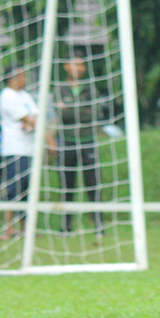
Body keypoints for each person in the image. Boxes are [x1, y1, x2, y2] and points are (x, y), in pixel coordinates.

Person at [0, 65, 55, 237]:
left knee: (26, 190)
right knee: (12, 190)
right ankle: (9, 229)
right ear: (12, 78)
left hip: (30, 150)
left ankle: (26, 230)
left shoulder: (25, 96)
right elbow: (29, 119)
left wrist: (30, 122)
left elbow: (36, 117)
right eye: (22, 76)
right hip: (14, 149)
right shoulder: (7, 96)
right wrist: (49, 140)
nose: (25, 79)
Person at [56, 49, 103, 235]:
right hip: (67, 142)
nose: (77, 68)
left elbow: (94, 113)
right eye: (73, 63)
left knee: (93, 184)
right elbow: (62, 115)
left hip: (87, 140)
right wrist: (79, 112)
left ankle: (99, 225)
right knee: (67, 185)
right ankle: (66, 226)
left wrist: (71, 111)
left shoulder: (91, 89)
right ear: (66, 66)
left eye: (80, 64)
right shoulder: (59, 89)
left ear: (84, 68)